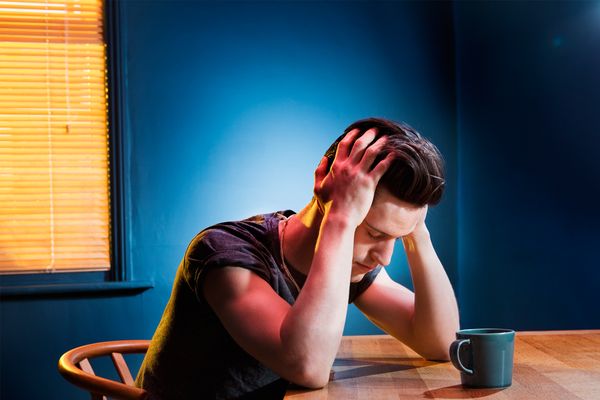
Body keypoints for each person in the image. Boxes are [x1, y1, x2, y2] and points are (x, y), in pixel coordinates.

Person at [136, 117, 460, 399]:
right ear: (324, 184)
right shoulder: (225, 255)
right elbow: (307, 366)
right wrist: (341, 218)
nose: (385, 258)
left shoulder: (350, 269)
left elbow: (441, 342)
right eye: (375, 233)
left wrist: (418, 234)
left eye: (397, 238)